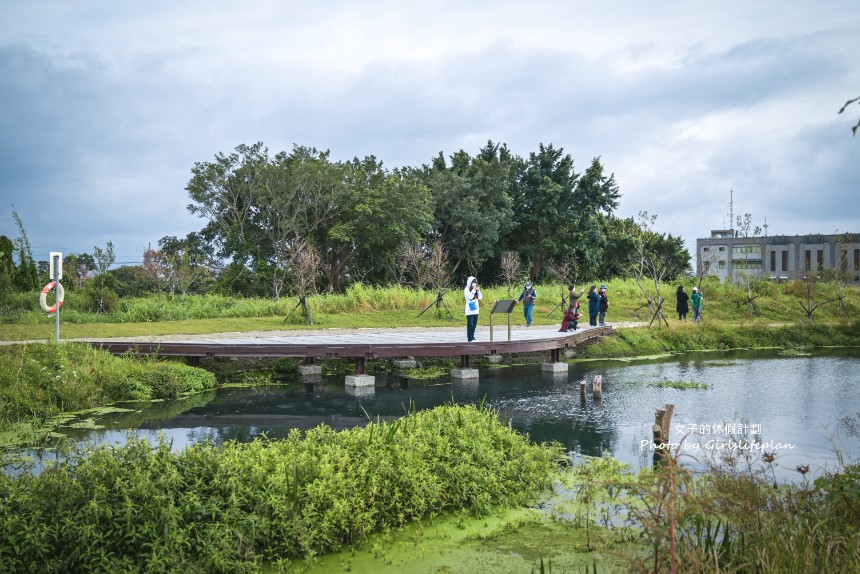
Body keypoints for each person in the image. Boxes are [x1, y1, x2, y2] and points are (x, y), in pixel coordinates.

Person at [464, 276, 483, 341]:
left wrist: (478, 290)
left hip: (476, 310)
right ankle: (469, 338)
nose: (474, 283)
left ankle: (472, 336)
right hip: (469, 310)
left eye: (475, 282)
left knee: (474, 324)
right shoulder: (466, 289)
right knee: (470, 324)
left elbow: (480, 297)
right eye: (473, 282)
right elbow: (470, 297)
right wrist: (473, 290)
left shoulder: (476, 290)